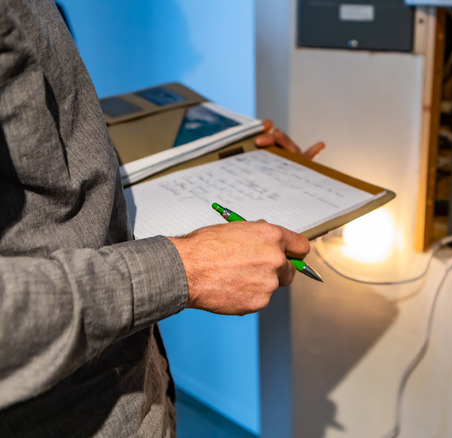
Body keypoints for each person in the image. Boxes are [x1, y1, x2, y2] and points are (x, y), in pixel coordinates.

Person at [0, 1, 322, 435]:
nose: (193, 51)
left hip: (125, 392)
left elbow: (39, 154)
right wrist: (184, 270)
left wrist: (227, 152)